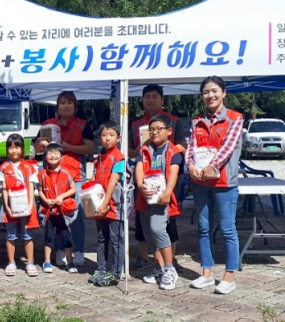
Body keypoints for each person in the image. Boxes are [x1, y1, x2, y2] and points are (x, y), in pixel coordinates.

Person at [186, 76, 243, 295]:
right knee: (203, 228)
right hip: (200, 182)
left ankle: (229, 276)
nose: (210, 95)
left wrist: (212, 166)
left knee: (228, 228)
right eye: (206, 92)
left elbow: (228, 147)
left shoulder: (235, 118)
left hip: (224, 182)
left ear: (224, 92)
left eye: (214, 91)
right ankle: (206, 274)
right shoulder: (196, 120)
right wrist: (190, 166)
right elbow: (191, 147)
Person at [129, 84, 186, 271]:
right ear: (142, 100)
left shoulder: (174, 121)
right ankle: (145, 257)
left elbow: (182, 147)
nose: (151, 100)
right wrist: (141, 151)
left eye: (155, 96)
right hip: (144, 179)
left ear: (162, 99)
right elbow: (129, 151)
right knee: (143, 219)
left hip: (167, 178)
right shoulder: (135, 124)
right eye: (147, 97)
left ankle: (171, 260)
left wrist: (166, 153)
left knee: (168, 221)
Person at [35, 91, 94, 268]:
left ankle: (78, 251)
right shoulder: (47, 124)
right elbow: (37, 147)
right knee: (55, 215)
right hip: (51, 176)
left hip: (75, 176)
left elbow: (89, 148)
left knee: (75, 215)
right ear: (57, 106)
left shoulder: (83, 125)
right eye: (62, 103)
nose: (65, 106)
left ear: (75, 106)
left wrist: (67, 147)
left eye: (69, 103)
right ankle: (59, 250)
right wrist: (41, 144)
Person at [135, 115, 183, 290]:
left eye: (159, 129)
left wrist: (168, 193)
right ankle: (160, 267)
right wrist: (140, 186)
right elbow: (138, 168)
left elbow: (174, 173)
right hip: (144, 197)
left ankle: (170, 269)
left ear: (169, 131)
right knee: (150, 234)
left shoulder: (173, 152)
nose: (154, 132)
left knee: (158, 229)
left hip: (162, 199)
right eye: (152, 129)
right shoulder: (144, 149)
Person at [88, 121, 125, 287]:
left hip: (113, 205)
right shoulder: (98, 158)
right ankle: (101, 268)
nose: (107, 139)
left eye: (111, 135)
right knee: (102, 238)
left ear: (118, 138)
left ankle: (116, 273)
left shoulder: (119, 158)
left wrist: (105, 203)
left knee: (116, 239)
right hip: (99, 204)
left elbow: (112, 182)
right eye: (104, 135)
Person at [0, 134, 40, 277]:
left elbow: (31, 186)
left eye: (17, 147)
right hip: (10, 208)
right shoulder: (3, 168)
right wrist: (7, 207)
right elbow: (4, 188)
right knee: (10, 235)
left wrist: (30, 205)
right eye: (10, 147)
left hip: (26, 207)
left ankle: (30, 263)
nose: (14, 150)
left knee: (28, 235)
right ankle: (11, 262)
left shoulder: (29, 167)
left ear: (23, 149)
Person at [37, 143, 78, 274]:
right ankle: (47, 261)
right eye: (49, 153)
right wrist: (46, 200)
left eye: (56, 153)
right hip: (49, 211)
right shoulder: (42, 174)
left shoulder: (66, 173)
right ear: (45, 156)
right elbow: (40, 191)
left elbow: (73, 189)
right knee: (48, 237)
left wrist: (62, 197)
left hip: (63, 211)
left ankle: (70, 262)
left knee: (66, 236)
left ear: (61, 156)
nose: (53, 156)